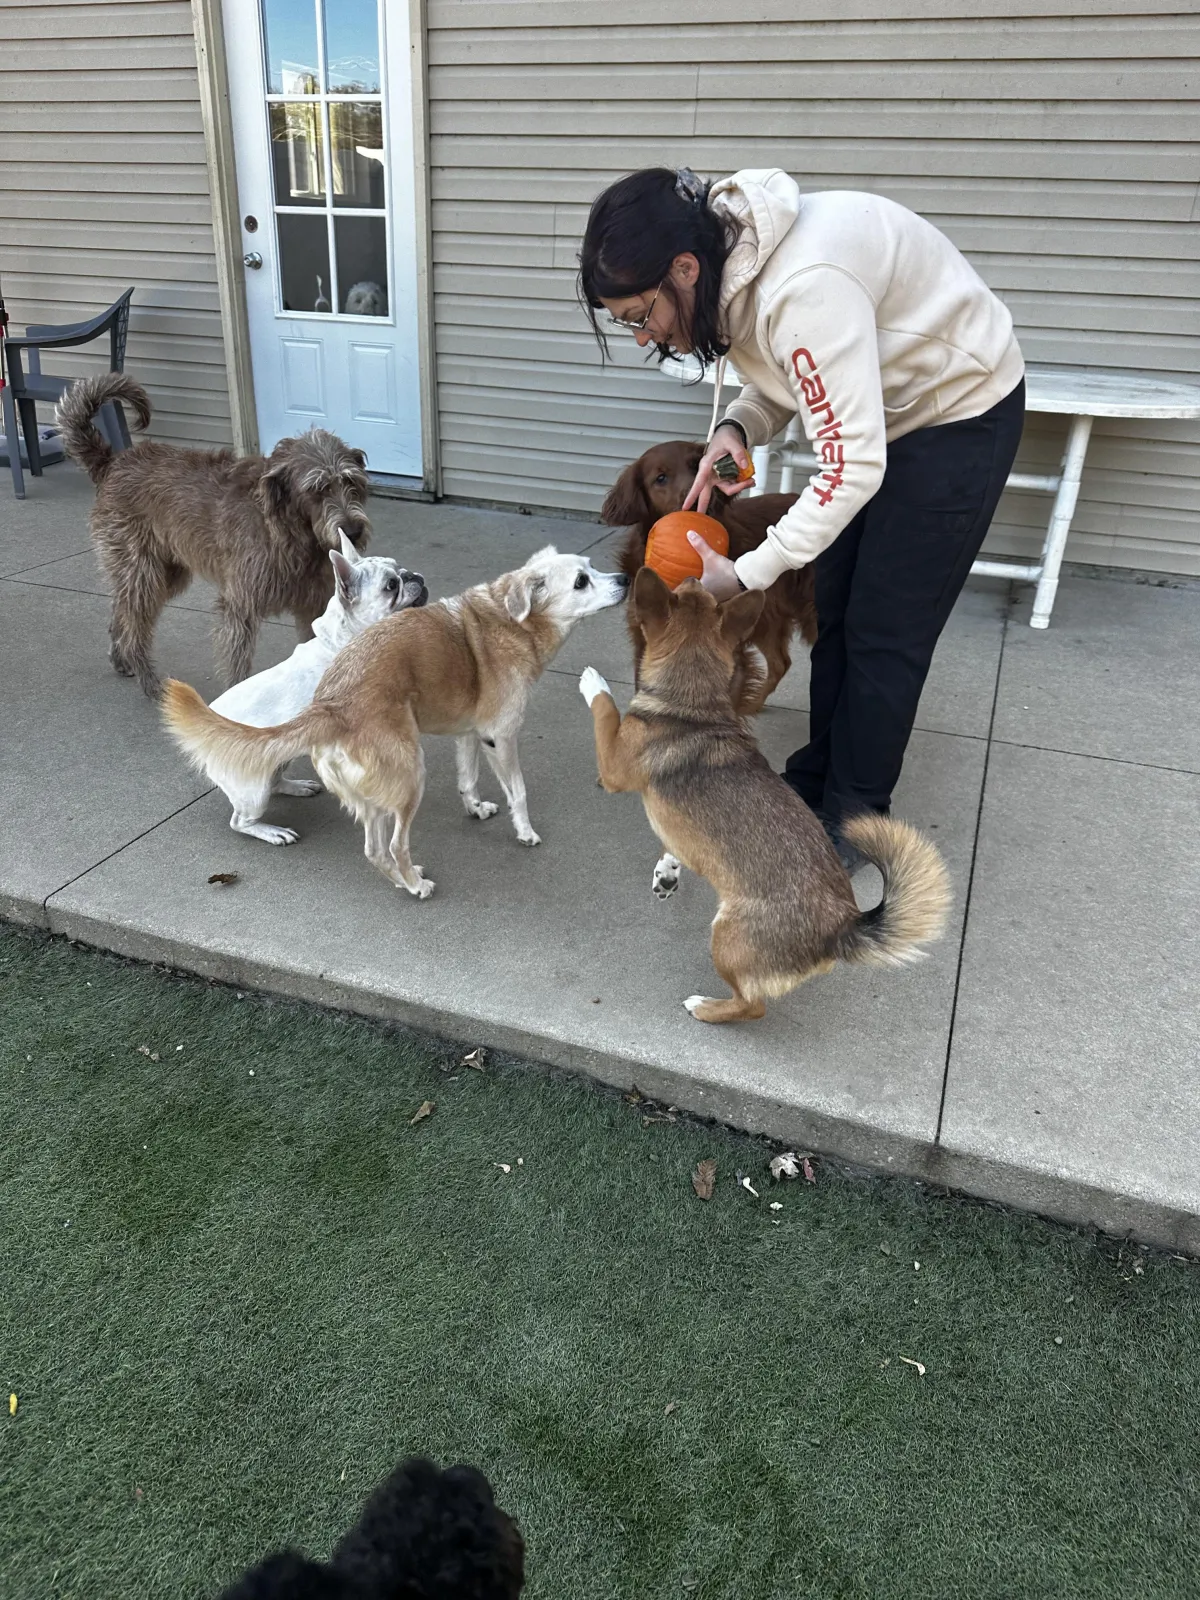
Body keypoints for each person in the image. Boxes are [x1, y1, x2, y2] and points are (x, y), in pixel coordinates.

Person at [578, 166, 1025, 869]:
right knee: (840, 607)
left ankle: (854, 823)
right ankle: (818, 777)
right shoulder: (735, 272)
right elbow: (788, 376)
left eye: (640, 316)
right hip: (880, 417)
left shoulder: (802, 286)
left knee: (885, 633)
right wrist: (737, 424)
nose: (641, 336)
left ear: (685, 268)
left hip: (956, 411)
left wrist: (745, 574)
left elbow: (853, 465)